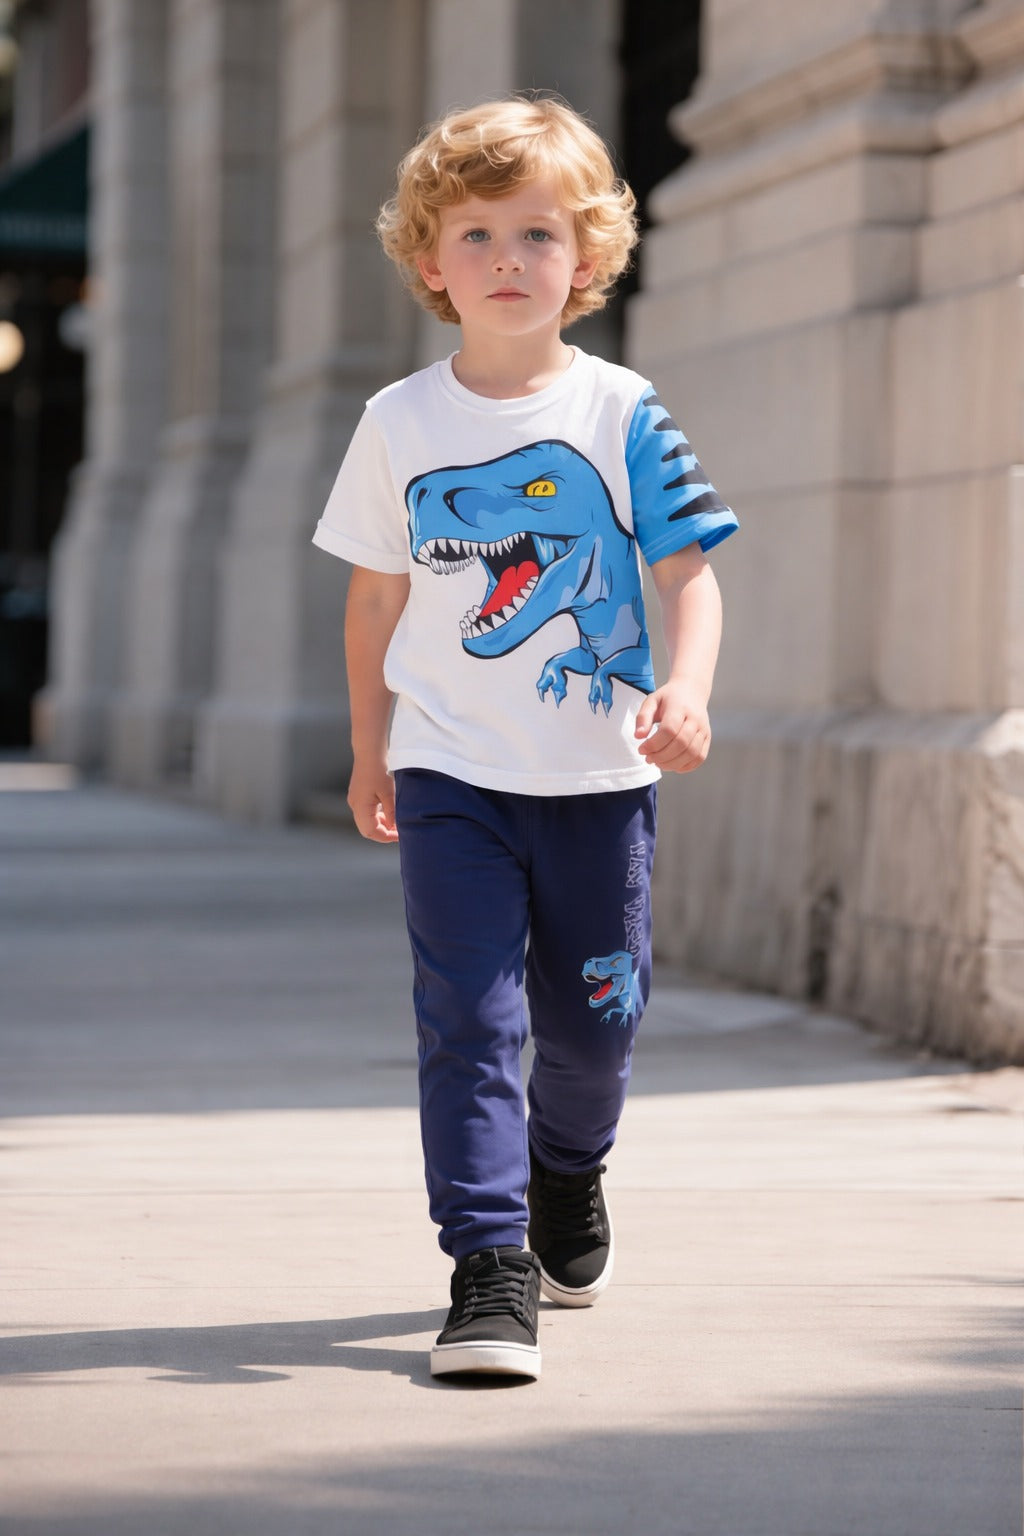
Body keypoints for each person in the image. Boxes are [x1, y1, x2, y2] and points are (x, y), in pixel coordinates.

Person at [312, 96, 737, 1381]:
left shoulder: (623, 410)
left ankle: (566, 1167)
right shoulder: (398, 423)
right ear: (430, 261)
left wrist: (687, 689)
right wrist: (371, 748)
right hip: (451, 771)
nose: (509, 259)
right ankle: (488, 1265)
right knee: (468, 1016)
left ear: (588, 255)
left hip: (600, 778)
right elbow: (375, 601)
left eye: (538, 233)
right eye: (477, 234)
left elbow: (687, 575)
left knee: (596, 1029)